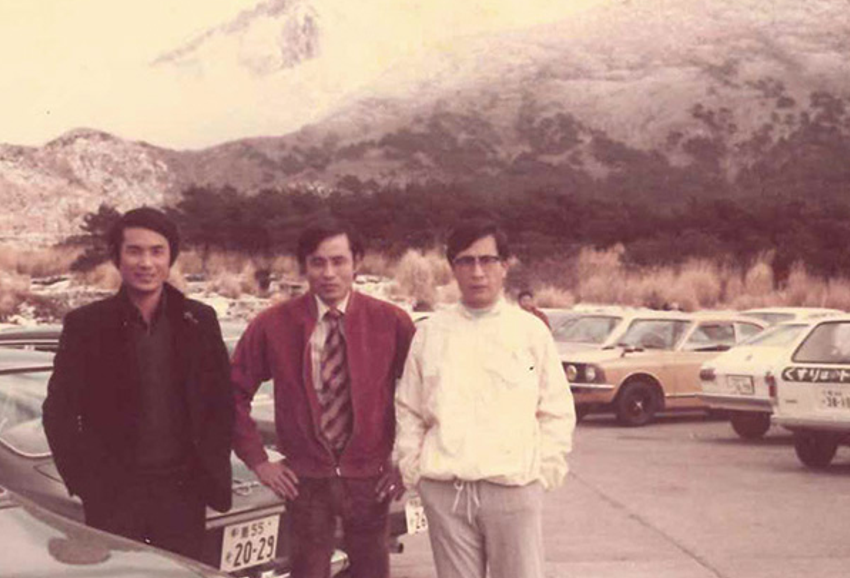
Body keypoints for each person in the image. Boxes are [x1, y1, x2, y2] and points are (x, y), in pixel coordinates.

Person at [43, 207, 233, 561]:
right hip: (114, 496)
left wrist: (208, 469)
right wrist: (86, 483)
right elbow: (58, 412)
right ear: (117, 257)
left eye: (157, 251)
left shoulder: (199, 320)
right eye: (134, 251)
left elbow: (221, 403)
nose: (146, 263)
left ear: (170, 257)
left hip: (182, 493)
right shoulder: (86, 325)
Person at [230, 221, 416, 578]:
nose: (329, 273)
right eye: (317, 262)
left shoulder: (391, 321)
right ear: (304, 266)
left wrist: (407, 461)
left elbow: (422, 396)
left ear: (356, 262)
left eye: (338, 261)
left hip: (371, 479)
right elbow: (233, 393)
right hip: (305, 481)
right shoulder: (273, 324)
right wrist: (259, 461)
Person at [394, 218, 575, 578]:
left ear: (505, 265)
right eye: (466, 261)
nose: (477, 272)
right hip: (446, 492)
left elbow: (555, 408)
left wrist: (543, 474)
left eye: (487, 260)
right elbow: (409, 408)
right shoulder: (431, 333)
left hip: (513, 490)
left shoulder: (529, 332)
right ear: (453, 267)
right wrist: (416, 472)